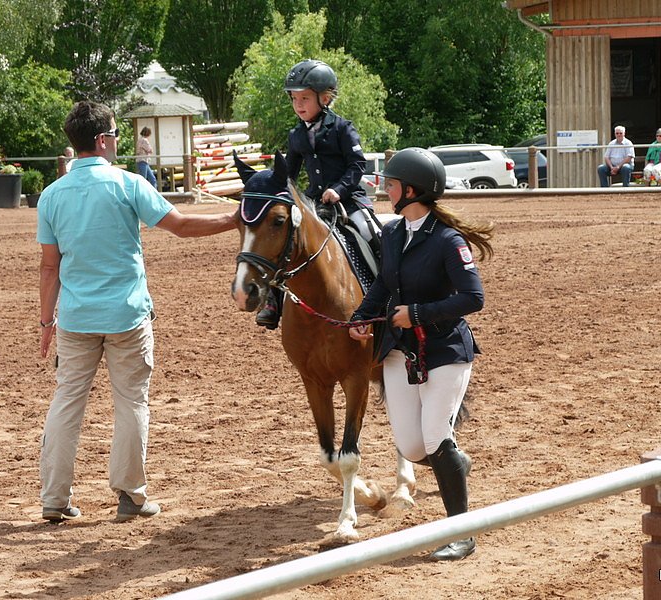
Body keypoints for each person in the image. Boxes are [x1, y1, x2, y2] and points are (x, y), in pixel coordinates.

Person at [37, 101, 237, 523]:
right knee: (131, 403)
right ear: (102, 140)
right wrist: (234, 218)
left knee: (67, 402)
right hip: (127, 314)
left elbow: (49, 266)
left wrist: (44, 322)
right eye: (113, 133)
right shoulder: (127, 185)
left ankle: (54, 499)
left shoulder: (51, 196)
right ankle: (130, 495)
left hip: (75, 317)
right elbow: (180, 225)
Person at [348, 148, 492, 562]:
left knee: (434, 436)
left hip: (445, 350)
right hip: (400, 352)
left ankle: (461, 533)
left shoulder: (448, 240)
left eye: (390, 184)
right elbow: (383, 287)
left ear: (410, 190)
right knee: (412, 448)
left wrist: (416, 314)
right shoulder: (393, 234)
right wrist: (362, 315)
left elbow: (473, 298)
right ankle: (453, 463)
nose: (384, 188)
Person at [255, 58, 380, 329]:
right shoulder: (296, 135)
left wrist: (338, 189)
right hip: (314, 203)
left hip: (349, 201)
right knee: (287, 244)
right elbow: (289, 172)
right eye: (294, 99)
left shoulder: (343, 128)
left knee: (375, 237)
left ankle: (389, 292)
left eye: (305, 98)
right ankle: (273, 302)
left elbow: (358, 165)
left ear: (325, 98)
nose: (298, 105)